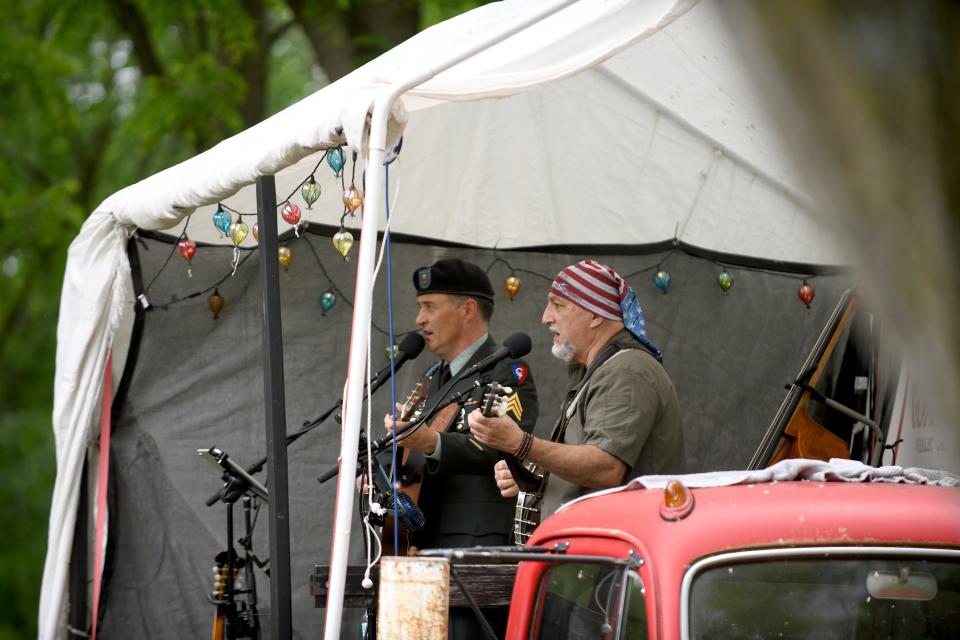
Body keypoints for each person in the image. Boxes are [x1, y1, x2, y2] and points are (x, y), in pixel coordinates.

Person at [383, 258, 539, 639]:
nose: (419, 319)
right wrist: (379, 470)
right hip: (419, 544)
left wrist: (429, 441)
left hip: (474, 548)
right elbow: (413, 468)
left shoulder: (507, 372)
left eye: (429, 306)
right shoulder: (432, 379)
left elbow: (500, 446)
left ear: (467, 309)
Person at [470, 259, 685, 521]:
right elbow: (586, 471)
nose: (545, 317)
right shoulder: (600, 369)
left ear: (595, 315)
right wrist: (535, 477)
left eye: (558, 305)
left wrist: (521, 444)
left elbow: (605, 468)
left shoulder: (626, 370)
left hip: (619, 550)